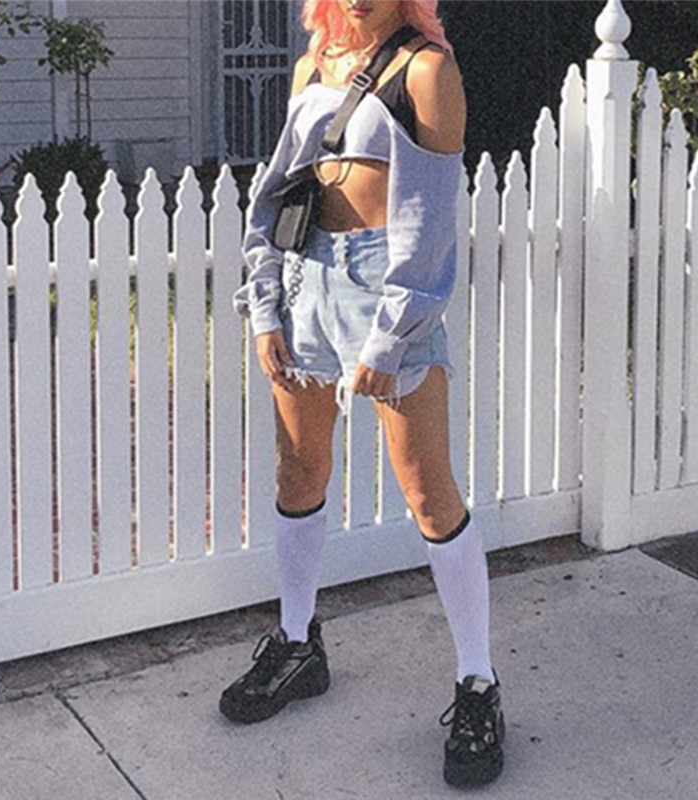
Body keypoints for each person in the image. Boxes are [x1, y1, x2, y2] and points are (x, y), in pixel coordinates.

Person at [223, 0, 504, 787]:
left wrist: (391, 336)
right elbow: (278, 193)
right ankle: (296, 643)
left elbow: (430, 221)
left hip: (385, 285)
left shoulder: (427, 70)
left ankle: (478, 682)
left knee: (427, 490)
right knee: (298, 471)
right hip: (306, 279)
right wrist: (266, 306)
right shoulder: (312, 67)